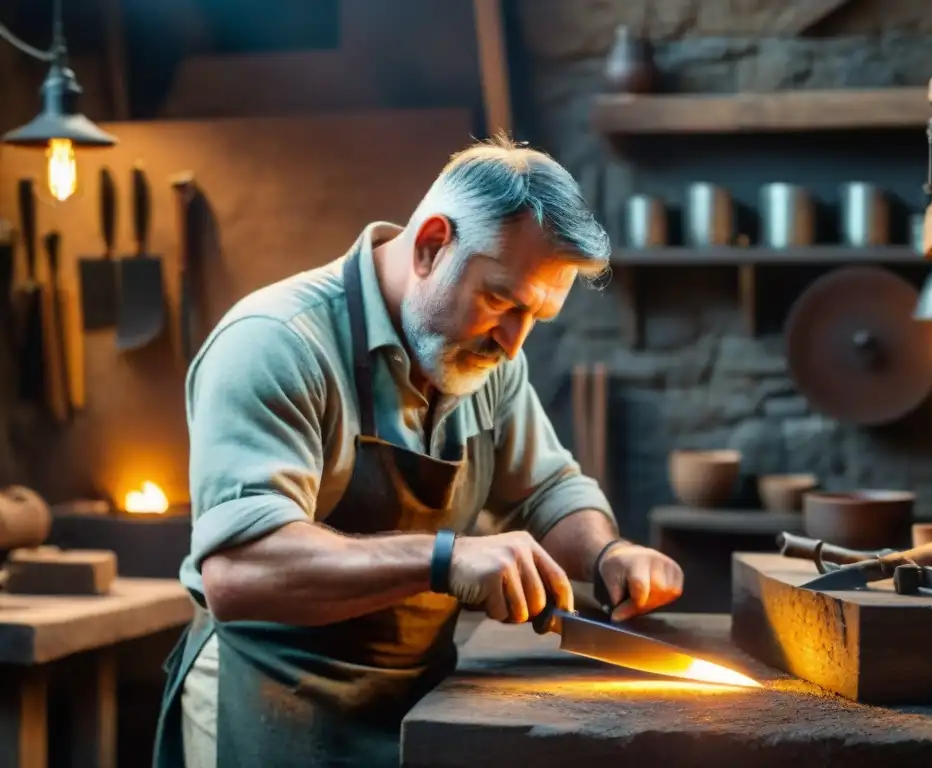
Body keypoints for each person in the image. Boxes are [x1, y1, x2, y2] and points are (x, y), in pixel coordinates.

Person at [153, 135, 684, 768]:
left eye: (535, 318)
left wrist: (606, 553)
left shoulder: (483, 359)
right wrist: (445, 558)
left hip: (413, 705)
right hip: (269, 698)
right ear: (431, 244)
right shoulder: (275, 343)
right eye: (501, 301)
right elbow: (240, 574)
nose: (514, 345)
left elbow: (547, 491)